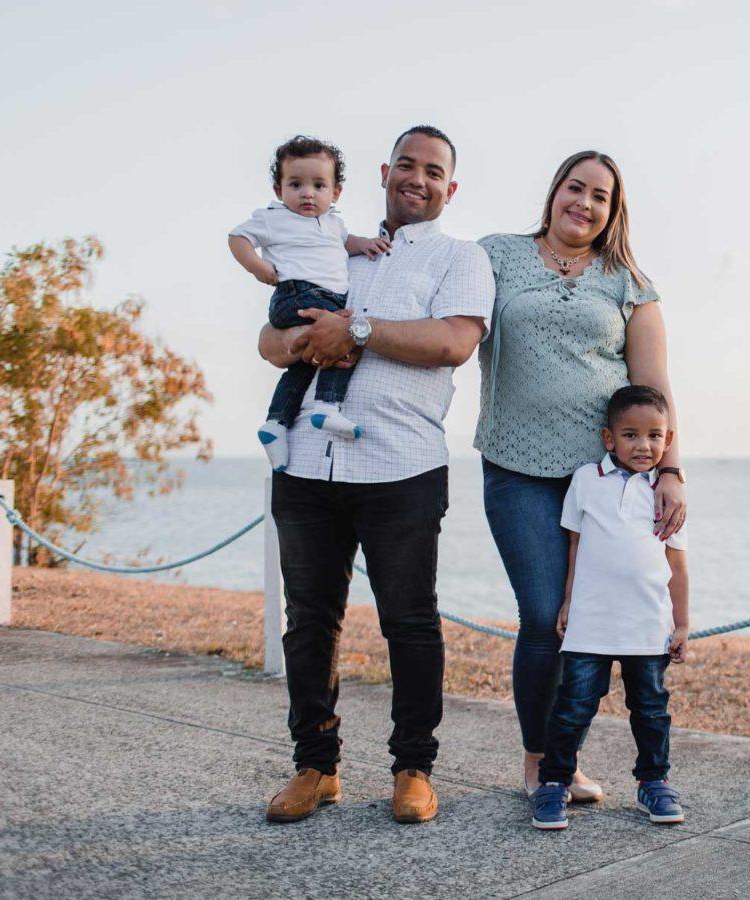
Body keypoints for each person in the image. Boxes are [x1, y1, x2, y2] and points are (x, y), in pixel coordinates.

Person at [254, 125, 494, 825]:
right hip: (305, 464)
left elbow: (452, 342)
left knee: (410, 623)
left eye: (434, 171)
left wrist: (355, 330)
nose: (418, 179)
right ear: (386, 172)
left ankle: (414, 769)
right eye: (407, 166)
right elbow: (270, 341)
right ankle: (315, 768)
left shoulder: (461, 259)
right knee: (309, 626)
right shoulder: (331, 245)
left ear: (450, 188)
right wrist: (306, 339)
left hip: (403, 468)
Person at [475, 151, 688, 800]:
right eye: (576, 188)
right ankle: (540, 760)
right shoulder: (496, 257)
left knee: (587, 623)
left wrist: (671, 468)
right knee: (544, 616)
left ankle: (566, 762)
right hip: (515, 468)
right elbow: (448, 315)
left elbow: (652, 386)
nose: (585, 203)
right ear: (555, 192)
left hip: (604, 482)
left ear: (612, 211)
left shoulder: (628, 282)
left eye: (601, 196)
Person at [530, 385, 690, 830]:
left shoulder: (667, 493)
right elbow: (575, 545)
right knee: (573, 706)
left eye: (655, 436)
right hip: (591, 622)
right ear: (609, 438)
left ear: (668, 440)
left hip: (647, 624)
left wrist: (682, 624)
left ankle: (653, 783)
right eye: (632, 435)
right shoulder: (586, 481)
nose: (645, 446)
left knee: (652, 710)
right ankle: (553, 783)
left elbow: (676, 562)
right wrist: (567, 601)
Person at [229, 135, 390, 469]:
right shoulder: (274, 218)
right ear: (279, 190)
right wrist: (258, 267)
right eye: (296, 184)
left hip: (322, 297)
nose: (307, 193)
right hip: (297, 293)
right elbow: (237, 238)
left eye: (319, 185)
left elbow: (347, 242)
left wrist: (367, 245)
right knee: (341, 339)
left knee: (306, 361)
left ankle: (276, 424)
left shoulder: (333, 223)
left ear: (335, 193)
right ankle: (327, 407)